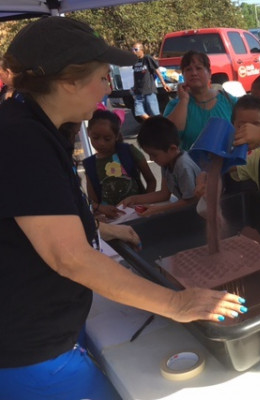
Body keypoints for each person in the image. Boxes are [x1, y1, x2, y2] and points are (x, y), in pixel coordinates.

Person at [0, 17, 246, 400]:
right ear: (68, 81)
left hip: (46, 328)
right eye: (101, 76)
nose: (107, 86)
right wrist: (176, 302)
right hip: (30, 349)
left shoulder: (33, 126)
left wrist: (97, 230)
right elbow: (69, 259)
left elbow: (31, 221)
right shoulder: (22, 140)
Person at [83, 109, 156, 220]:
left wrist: (143, 203)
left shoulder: (128, 151)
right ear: (88, 133)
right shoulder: (90, 165)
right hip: (111, 220)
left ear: (116, 136)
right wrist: (99, 211)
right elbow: (93, 202)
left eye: (107, 139)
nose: (101, 143)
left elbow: (151, 180)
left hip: (138, 214)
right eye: (95, 138)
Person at [121, 116, 202, 216]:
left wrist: (157, 209)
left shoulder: (183, 166)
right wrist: (134, 199)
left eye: (154, 155)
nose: (151, 159)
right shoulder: (167, 162)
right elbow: (164, 194)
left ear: (172, 149)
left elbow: (191, 201)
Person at [164, 50, 236, 151]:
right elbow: (169, 137)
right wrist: (184, 100)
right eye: (188, 69)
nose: (194, 73)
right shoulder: (175, 105)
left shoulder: (229, 101)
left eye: (199, 68)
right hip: (191, 166)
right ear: (183, 74)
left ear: (209, 73)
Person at [132, 42, 170, 120]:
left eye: (136, 49)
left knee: (154, 113)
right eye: (132, 50)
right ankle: (153, 122)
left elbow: (156, 70)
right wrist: (134, 87)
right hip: (138, 92)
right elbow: (136, 75)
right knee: (139, 111)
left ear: (142, 50)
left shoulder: (147, 58)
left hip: (149, 90)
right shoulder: (135, 61)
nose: (133, 51)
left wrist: (163, 83)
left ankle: (160, 125)